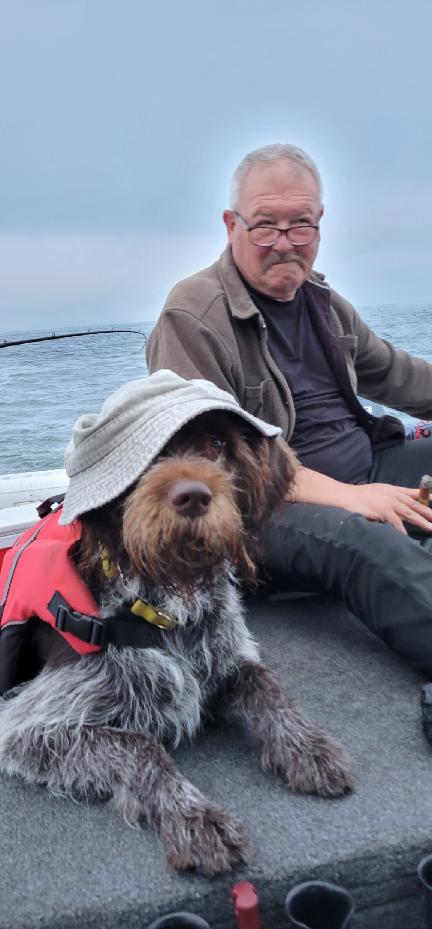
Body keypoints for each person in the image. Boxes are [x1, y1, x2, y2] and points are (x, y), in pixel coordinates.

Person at [146, 143, 432, 677]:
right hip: (260, 513)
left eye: (300, 226)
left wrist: (362, 489)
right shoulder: (192, 315)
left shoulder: (324, 302)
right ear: (232, 225)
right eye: (265, 227)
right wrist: (351, 499)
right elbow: (217, 466)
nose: (284, 245)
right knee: (363, 541)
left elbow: (400, 375)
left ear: (319, 226)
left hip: (365, 468)